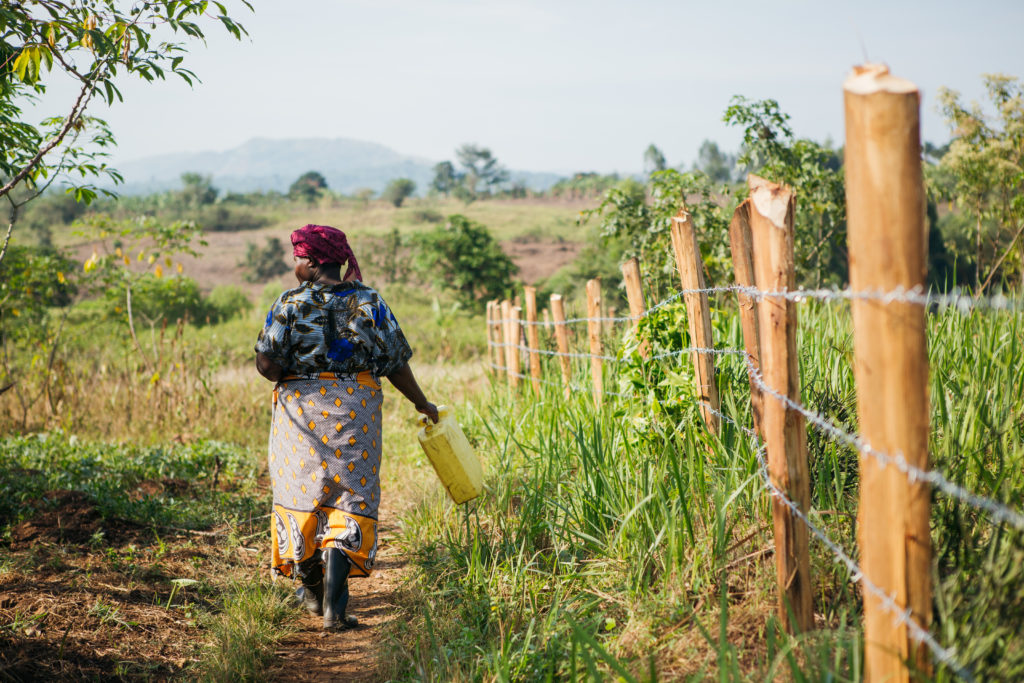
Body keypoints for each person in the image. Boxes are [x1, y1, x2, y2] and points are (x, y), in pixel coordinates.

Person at [254, 224, 438, 630]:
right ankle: (335, 610)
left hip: (299, 415)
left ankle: (312, 593)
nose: (294, 264)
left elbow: (267, 367)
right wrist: (421, 402)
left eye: (298, 257)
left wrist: (297, 368)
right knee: (349, 495)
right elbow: (394, 362)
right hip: (356, 413)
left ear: (314, 262)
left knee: (302, 491)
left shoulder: (289, 303)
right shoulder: (370, 301)